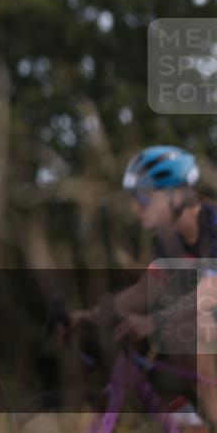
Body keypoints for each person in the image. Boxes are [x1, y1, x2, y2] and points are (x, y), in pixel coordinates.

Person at [70, 145, 217, 425]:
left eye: (144, 198)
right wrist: (88, 315)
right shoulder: (167, 240)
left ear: (175, 195)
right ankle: (192, 419)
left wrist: (154, 321)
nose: (135, 206)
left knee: (194, 325)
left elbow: (211, 291)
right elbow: (143, 291)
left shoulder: (212, 223)